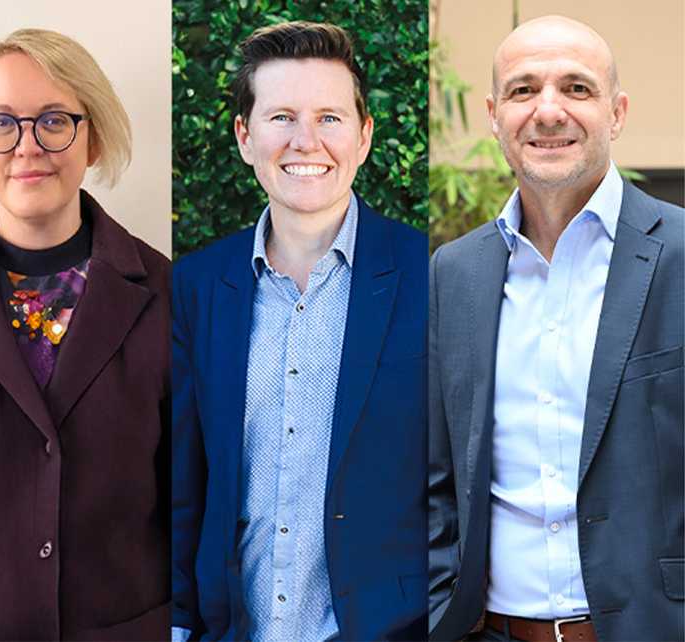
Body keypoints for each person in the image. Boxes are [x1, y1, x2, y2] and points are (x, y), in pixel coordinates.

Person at [0, 29, 170, 641]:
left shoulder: (166, 292)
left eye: (54, 121)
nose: (28, 146)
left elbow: (181, 495)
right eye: (3, 123)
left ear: (93, 138)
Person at [428, 15, 683, 642]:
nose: (548, 112)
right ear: (493, 115)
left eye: (576, 88)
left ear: (617, 112)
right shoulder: (453, 273)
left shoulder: (680, 255)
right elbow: (436, 478)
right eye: (523, 90)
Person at [172, 21, 428, 641]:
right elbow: (181, 487)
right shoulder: (196, 287)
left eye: (330, 118)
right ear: (244, 136)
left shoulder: (430, 275)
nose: (305, 141)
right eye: (282, 116)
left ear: (365, 137)